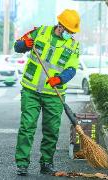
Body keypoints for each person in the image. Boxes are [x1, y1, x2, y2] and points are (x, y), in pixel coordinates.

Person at [14, 9, 81, 176]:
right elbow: (18, 46)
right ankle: (22, 163)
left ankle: (46, 163)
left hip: (54, 95)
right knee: (27, 127)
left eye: (73, 32)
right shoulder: (40, 32)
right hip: (31, 90)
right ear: (61, 26)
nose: (71, 34)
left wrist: (60, 79)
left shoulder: (73, 46)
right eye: (69, 31)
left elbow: (72, 69)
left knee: (51, 130)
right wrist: (24, 45)